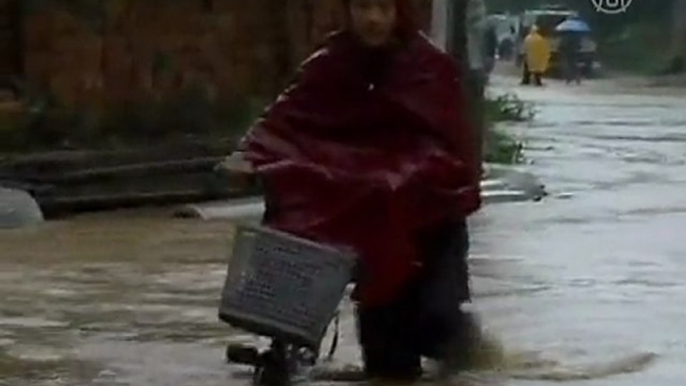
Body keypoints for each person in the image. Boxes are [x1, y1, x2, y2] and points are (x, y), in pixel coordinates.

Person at [220, 0, 482, 380]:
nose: (373, 19)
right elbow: (283, 123)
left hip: (429, 226)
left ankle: (469, 349)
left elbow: (454, 152)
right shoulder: (328, 65)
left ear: (399, 13)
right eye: (362, 6)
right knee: (387, 368)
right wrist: (248, 157)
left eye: (383, 8)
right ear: (347, 11)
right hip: (369, 235)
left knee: (435, 322)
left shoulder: (430, 70)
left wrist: (407, 178)